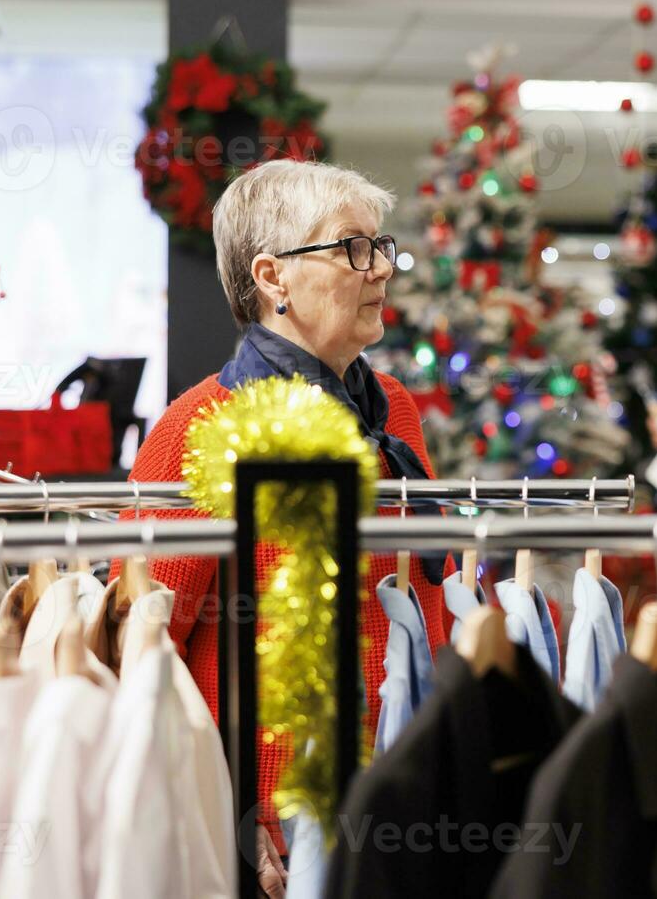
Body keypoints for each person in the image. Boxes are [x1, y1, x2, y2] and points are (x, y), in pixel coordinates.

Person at [119, 159, 451, 898]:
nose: (381, 270)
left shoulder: (391, 409)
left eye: (382, 247)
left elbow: (426, 593)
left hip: (402, 790)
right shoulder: (197, 425)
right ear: (273, 278)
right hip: (268, 818)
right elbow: (140, 651)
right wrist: (216, 807)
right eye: (353, 249)